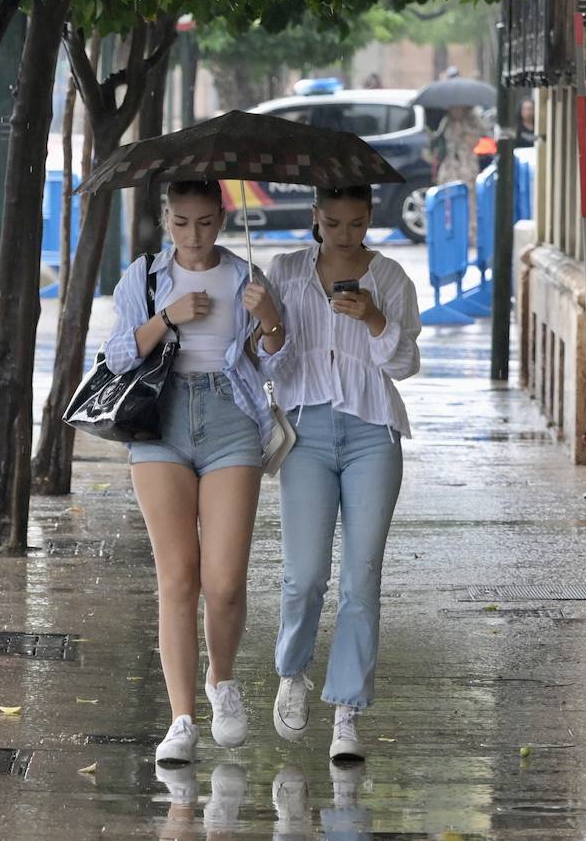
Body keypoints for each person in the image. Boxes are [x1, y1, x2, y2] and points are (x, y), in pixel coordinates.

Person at [102, 178, 287, 764]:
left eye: (205, 221)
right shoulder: (146, 277)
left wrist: (272, 317)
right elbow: (116, 356)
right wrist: (167, 317)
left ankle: (222, 682)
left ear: (222, 218)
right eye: (182, 222)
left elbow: (277, 355)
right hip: (161, 418)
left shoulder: (244, 277)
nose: (194, 235)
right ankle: (181, 718)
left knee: (226, 581)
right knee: (178, 577)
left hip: (230, 416)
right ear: (166, 220)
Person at [264, 185, 422, 762]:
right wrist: (266, 321)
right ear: (315, 217)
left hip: (371, 435)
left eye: (356, 224)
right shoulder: (283, 271)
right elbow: (266, 363)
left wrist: (375, 318)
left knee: (362, 577)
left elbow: (404, 366)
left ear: (369, 219)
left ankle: (348, 710)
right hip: (304, 433)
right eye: (332, 222)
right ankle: (291, 671)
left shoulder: (391, 278)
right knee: (304, 575)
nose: (344, 235)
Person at [427, 105, 485, 240]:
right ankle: (450, 232)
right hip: (449, 166)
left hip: (467, 165)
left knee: (470, 199)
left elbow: (477, 139)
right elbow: (440, 141)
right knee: (447, 199)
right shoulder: (447, 121)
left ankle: (471, 233)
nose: (455, 111)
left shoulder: (473, 120)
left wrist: (464, 131)